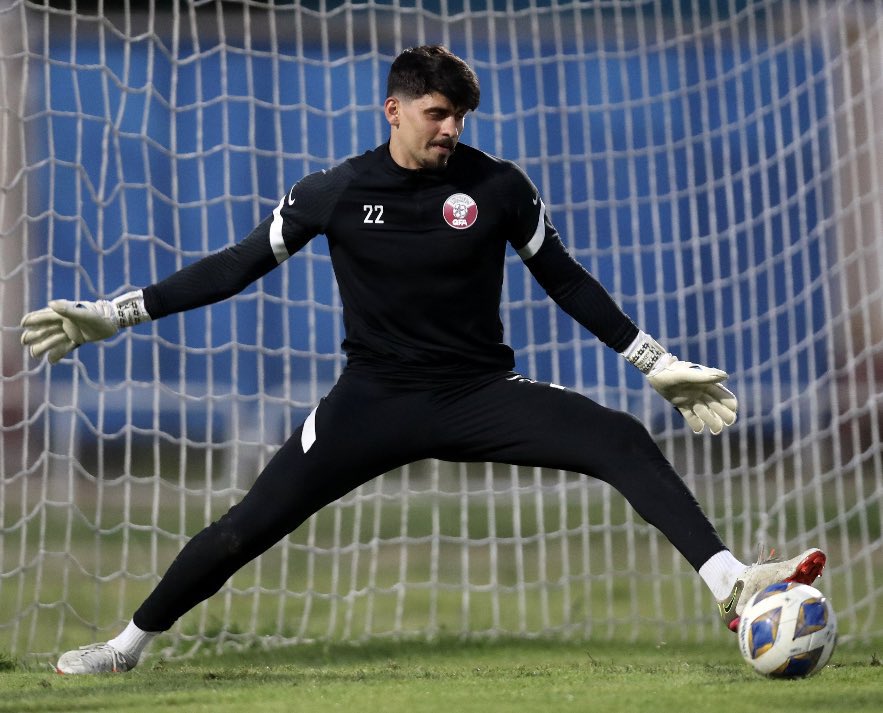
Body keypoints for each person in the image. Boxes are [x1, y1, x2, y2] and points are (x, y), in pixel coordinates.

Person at [21, 45, 825, 674]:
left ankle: (731, 582)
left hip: (479, 392)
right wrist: (118, 313)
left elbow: (565, 278)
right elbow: (235, 266)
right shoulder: (333, 191)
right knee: (242, 531)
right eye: (438, 113)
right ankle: (124, 646)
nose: (451, 129)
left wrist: (650, 358)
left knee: (617, 435)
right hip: (370, 401)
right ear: (394, 110)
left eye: (460, 116)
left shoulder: (499, 187)